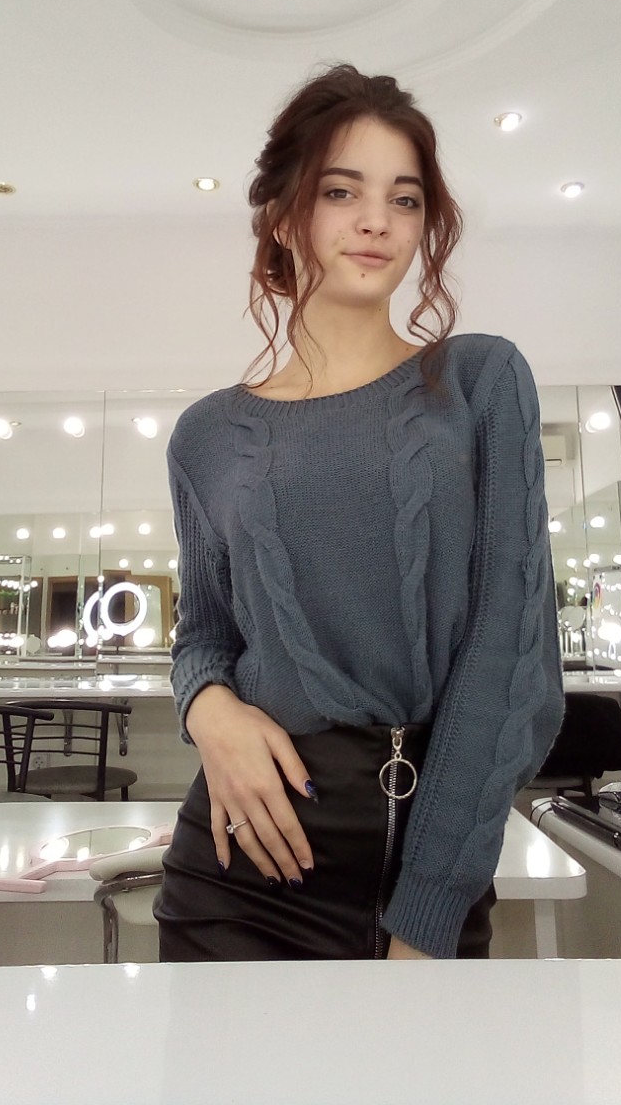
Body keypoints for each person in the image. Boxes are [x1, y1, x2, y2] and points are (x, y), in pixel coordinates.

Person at [154, 64, 565, 962]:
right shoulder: (207, 436)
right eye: (341, 191)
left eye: (404, 199)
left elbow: (511, 655)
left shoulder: (480, 381)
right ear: (283, 215)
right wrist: (208, 711)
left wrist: (428, 908)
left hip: (434, 853)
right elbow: (204, 634)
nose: (377, 220)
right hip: (245, 866)